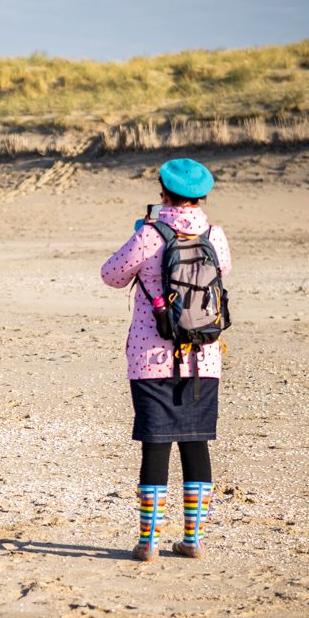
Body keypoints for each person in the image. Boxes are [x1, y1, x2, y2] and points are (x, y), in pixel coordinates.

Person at [101, 158, 231, 561]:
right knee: (196, 447)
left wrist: (139, 234)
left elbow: (111, 275)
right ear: (203, 196)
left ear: (163, 193)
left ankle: (148, 542)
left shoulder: (150, 235)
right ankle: (192, 540)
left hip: (150, 356)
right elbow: (220, 276)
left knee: (155, 448)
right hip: (203, 358)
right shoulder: (215, 235)